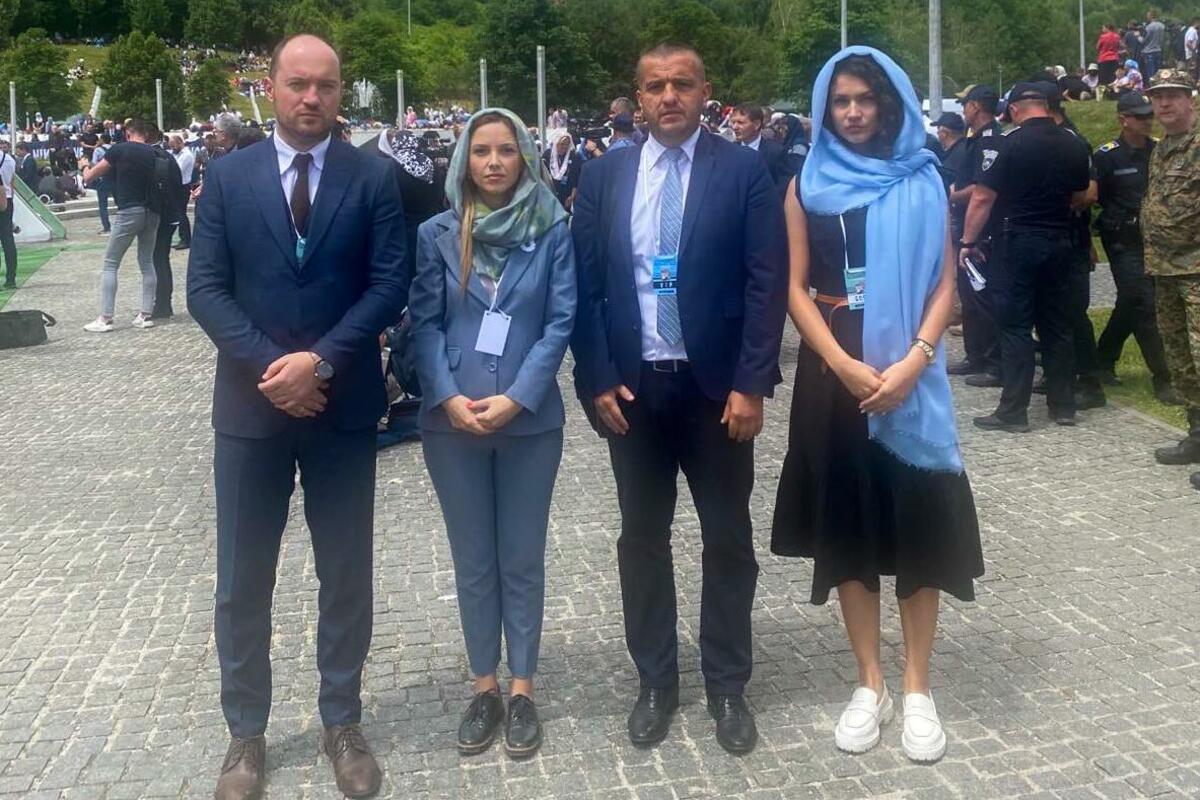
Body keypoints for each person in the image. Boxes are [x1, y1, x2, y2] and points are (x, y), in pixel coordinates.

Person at [186, 34, 407, 799]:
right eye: (298, 84)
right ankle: (246, 732)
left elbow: (389, 283)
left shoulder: (372, 176)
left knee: (345, 572)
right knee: (242, 578)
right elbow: (205, 289)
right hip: (251, 412)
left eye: (326, 86)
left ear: (341, 92)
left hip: (342, 408)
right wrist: (273, 370)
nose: (312, 97)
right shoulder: (228, 177)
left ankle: (342, 719)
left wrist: (323, 362)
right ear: (271, 88)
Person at [570, 42, 787, 755]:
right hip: (633, 390)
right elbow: (585, 283)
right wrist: (596, 376)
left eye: (682, 84)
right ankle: (656, 681)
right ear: (638, 96)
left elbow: (766, 282)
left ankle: (727, 683)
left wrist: (752, 382)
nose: (669, 96)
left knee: (728, 538)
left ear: (704, 92)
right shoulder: (606, 174)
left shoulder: (743, 170)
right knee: (642, 539)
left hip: (715, 391)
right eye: (656, 86)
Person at [771, 44, 982, 765]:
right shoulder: (805, 183)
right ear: (824, 108)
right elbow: (794, 286)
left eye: (866, 99)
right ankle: (871, 682)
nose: (854, 112)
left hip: (910, 372)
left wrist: (915, 360)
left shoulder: (922, 177)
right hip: (835, 372)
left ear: (888, 102)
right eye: (841, 101)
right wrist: (839, 362)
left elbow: (945, 283)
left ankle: (918, 686)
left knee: (918, 523)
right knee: (849, 527)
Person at [410, 108, 575, 759]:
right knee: (474, 560)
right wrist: (448, 395)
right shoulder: (436, 233)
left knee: (521, 558)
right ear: (464, 161)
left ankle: (523, 688)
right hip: (451, 423)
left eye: (507, 150)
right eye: (482, 151)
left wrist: (518, 396)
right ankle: (485, 687)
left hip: (528, 421)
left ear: (526, 157)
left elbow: (560, 322)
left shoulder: (551, 228)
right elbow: (423, 323)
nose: (495, 162)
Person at [960, 83, 1091, 431]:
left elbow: (982, 198)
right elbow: (1080, 194)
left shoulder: (1007, 144)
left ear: (1015, 109)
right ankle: (1063, 405)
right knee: (1057, 323)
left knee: (1015, 325)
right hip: (1061, 241)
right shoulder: (1073, 143)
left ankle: (1013, 411)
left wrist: (967, 241)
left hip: (1017, 242)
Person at [1089, 91, 1176, 404]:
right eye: (1140, 117)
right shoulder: (1107, 157)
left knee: (1130, 301)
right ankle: (1165, 378)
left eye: (1149, 115)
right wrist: (1087, 241)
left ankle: (1102, 358)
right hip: (1122, 240)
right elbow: (1090, 201)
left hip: (1156, 239)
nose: (1147, 121)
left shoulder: (1159, 150)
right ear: (1123, 119)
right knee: (1144, 304)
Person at [1142, 69, 1200, 491]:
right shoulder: (1161, 149)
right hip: (1165, 268)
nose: (1164, 103)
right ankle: (1197, 435)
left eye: (1173, 95)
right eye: (1158, 96)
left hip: (1196, 269)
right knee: (1180, 359)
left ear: (1189, 99)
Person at [80, 118, 161, 332]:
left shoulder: (119, 150)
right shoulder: (155, 153)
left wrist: (84, 165)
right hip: (152, 211)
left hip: (129, 210)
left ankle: (105, 318)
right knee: (147, 262)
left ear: (127, 133)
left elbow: (90, 177)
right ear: (146, 134)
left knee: (111, 263)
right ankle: (145, 315)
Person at [947, 85, 1004, 383]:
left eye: (965, 104)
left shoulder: (991, 140)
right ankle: (976, 354)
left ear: (976, 106)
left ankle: (994, 362)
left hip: (981, 231)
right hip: (968, 226)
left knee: (984, 296)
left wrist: (953, 195)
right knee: (969, 295)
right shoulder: (976, 139)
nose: (963, 110)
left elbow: (984, 188)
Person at [729, 103, 792, 196]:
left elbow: (784, 185)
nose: (735, 127)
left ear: (757, 124)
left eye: (740, 123)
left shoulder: (775, 152)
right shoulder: (729, 151)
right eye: (733, 122)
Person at [542, 131, 580, 211]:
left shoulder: (573, 156)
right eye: (562, 144)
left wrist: (572, 197)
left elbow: (576, 179)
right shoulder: (547, 155)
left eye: (567, 144)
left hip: (566, 196)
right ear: (556, 143)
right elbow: (541, 175)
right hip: (549, 194)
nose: (564, 147)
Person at [169, 134, 195, 249]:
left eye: (173, 145)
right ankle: (182, 238)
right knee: (178, 213)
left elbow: (177, 170)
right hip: (176, 185)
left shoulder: (186, 155)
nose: (172, 148)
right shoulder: (177, 154)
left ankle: (186, 239)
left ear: (179, 143)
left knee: (181, 213)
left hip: (182, 186)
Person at [933, 112, 967, 194]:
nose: (937, 134)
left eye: (938, 130)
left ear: (944, 133)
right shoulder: (968, 147)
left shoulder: (955, 156)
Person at [0, 142, 15, 289]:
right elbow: (11, 182)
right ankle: (11, 278)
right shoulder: (10, 159)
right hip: (8, 199)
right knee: (8, 240)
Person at [1143, 11, 1166, 76]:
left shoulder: (1149, 27)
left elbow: (1144, 40)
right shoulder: (1162, 26)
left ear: (1151, 16)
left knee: (1151, 73)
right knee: (1158, 72)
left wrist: (1138, 37)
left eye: (1148, 16)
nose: (1147, 17)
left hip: (1149, 51)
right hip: (1158, 50)